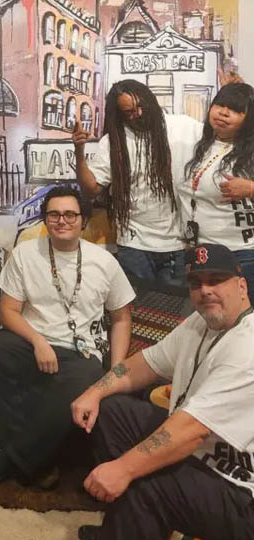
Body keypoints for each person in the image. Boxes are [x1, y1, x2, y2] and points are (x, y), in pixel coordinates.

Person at [73, 244, 254, 540]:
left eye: (216, 280)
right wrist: (94, 391)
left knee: (143, 478)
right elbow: (146, 364)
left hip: (240, 490)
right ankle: (129, 524)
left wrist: (124, 469)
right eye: (196, 283)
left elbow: (192, 430)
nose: (205, 291)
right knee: (111, 411)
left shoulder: (248, 348)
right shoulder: (199, 322)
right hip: (201, 452)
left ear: (242, 286)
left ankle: (132, 522)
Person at [0, 186, 135, 488]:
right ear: (45, 219)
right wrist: (38, 341)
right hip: (33, 342)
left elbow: (122, 318)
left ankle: (9, 462)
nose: (62, 220)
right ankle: (39, 457)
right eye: (54, 214)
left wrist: (117, 371)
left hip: (81, 353)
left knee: (85, 376)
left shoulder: (104, 261)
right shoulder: (25, 253)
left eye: (70, 214)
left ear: (82, 220)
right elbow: (8, 311)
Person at [73, 79, 202, 288]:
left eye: (142, 106)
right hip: (133, 244)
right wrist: (79, 152)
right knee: (139, 306)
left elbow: (221, 140)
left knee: (175, 307)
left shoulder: (184, 127)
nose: (139, 114)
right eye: (129, 112)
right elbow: (92, 188)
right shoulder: (114, 141)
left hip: (177, 243)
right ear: (119, 114)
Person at [177, 82, 254, 305]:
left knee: (243, 320)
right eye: (220, 105)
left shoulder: (250, 151)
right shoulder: (201, 145)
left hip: (240, 253)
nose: (223, 113)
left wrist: (250, 189)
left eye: (236, 110)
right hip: (201, 252)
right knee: (208, 318)